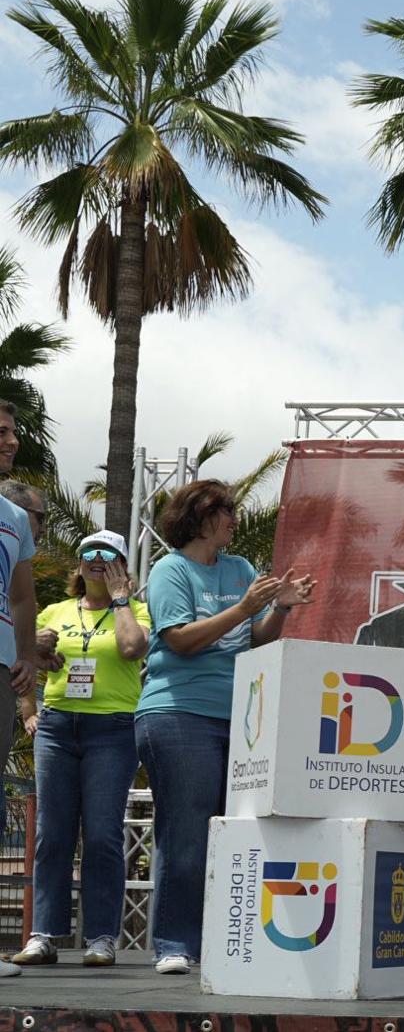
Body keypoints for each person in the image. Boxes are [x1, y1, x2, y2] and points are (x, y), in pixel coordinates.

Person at [135, 480, 316, 975]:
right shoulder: (170, 570)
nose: (235, 519)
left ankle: (219, 938)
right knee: (187, 833)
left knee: (230, 833)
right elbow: (180, 643)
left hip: (240, 719)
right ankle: (175, 943)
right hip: (178, 714)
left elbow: (253, 643)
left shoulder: (239, 569)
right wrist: (242, 608)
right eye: (226, 511)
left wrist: (280, 607)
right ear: (198, 516)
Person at [9, 531, 149, 969]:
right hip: (57, 727)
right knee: (52, 833)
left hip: (112, 728)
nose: (97, 559)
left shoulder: (138, 609)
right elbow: (23, 657)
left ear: (122, 565)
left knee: (104, 834)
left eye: (108, 554)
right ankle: (44, 935)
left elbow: (130, 648)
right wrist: (35, 665)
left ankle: (102, 936)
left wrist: (121, 598)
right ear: (79, 563)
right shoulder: (56, 610)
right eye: (89, 552)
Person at [0, 406, 39, 980]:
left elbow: (24, 596)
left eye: (9, 432)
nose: (8, 440)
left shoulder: (15, 517)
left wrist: (28, 655)